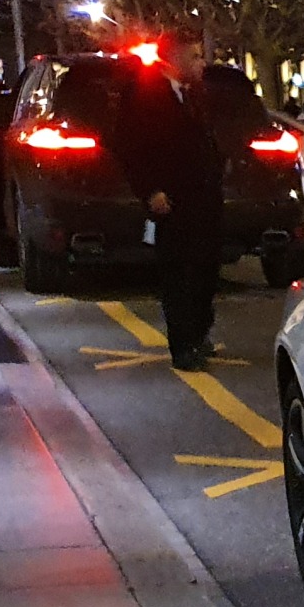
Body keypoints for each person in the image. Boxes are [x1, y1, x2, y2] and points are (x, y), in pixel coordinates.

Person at [113, 31, 226, 370]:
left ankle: (200, 332)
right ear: (175, 60)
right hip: (173, 200)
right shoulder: (147, 94)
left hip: (204, 198)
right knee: (180, 274)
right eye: (194, 57)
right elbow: (131, 147)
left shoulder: (192, 95)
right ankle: (183, 345)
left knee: (206, 269)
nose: (201, 63)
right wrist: (151, 190)